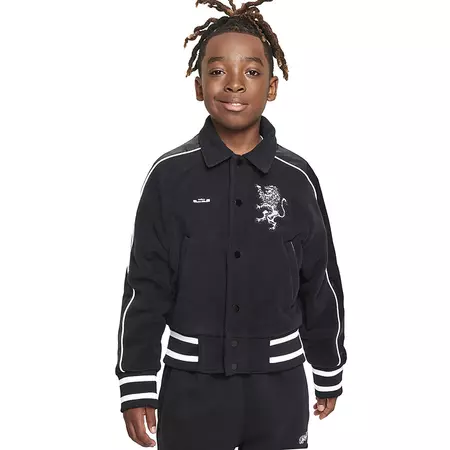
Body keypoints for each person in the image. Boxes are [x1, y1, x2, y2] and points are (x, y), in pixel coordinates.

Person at [115, 1, 347, 448]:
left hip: (279, 391)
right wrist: (137, 382)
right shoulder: (169, 177)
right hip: (191, 389)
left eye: (252, 72)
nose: (235, 83)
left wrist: (328, 366)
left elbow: (319, 281)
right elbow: (145, 285)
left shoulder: (297, 178)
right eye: (218, 71)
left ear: (272, 87)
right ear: (198, 85)